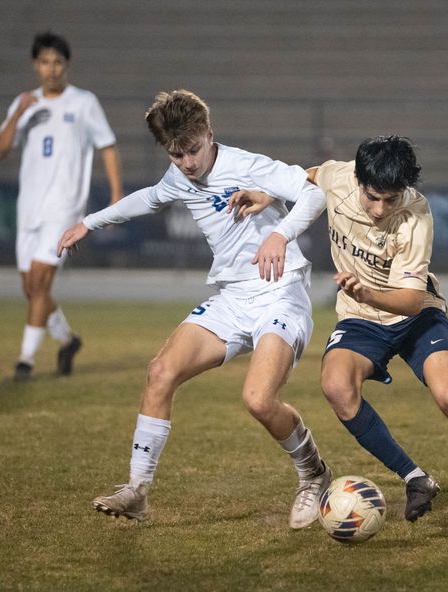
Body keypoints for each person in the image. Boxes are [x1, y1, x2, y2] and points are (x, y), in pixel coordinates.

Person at [56, 89, 331, 528]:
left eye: (192, 150)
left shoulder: (246, 165)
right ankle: (138, 492)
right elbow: (146, 198)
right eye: (175, 153)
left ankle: (313, 473)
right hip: (232, 299)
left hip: (280, 293)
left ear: (210, 133)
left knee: (259, 400)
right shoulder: (178, 175)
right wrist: (88, 223)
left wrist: (279, 234)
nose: (185, 162)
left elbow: (314, 193)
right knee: (160, 371)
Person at [234, 135, 448, 537]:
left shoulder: (416, 216)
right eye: (373, 197)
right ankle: (416, 478)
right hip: (361, 318)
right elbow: (307, 178)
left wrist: (366, 291)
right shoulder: (339, 177)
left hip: (416, 316)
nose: (380, 209)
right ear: (358, 180)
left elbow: (412, 300)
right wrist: (266, 193)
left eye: (390, 200)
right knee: (335, 386)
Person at [0, 31, 124, 382]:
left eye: (58, 63)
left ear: (66, 65)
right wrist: (18, 112)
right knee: (32, 289)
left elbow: (107, 146)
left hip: (64, 208)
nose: (51, 69)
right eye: (45, 62)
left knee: (40, 281)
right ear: (36, 65)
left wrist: (115, 196)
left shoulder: (83, 103)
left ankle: (25, 360)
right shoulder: (26, 104)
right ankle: (67, 340)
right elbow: (0, 149)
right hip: (29, 208)